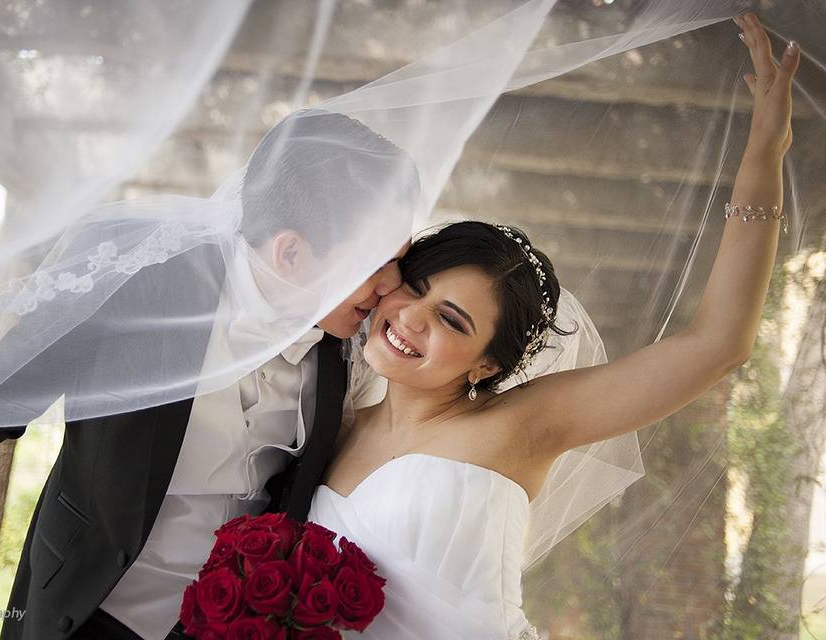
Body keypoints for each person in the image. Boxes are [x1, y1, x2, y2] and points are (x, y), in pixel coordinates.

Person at [307, 13, 797, 639]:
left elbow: (718, 343)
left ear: (488, 363)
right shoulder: (334, 416)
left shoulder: (523, 424)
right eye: (418, 288)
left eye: (451, 320)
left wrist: (765, 151)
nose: (410, 318)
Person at [0, 111, 419, 640]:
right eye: (376, 262)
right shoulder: (138, 289)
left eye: (400, 259)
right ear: (291, 251)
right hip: (86, 611)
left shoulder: (350, 348)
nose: (392, 284)